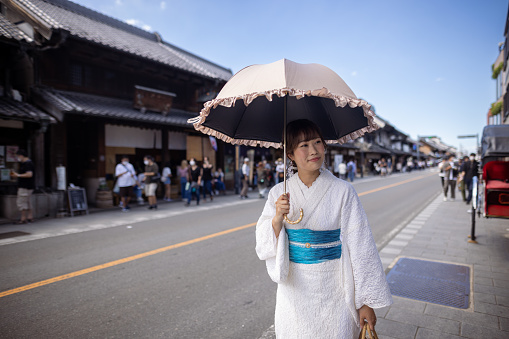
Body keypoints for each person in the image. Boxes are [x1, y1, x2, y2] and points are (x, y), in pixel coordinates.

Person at [255, 119, 392, 338]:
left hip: (335, 285)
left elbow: (361, 246)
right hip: (295, 288)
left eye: (317, 142)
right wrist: (276, 219)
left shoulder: (343, 191)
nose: (313, 150)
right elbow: (263, 246)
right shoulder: (277, 193)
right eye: (304, 145)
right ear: (289, 154)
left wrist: (365, 301)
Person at [11, 149, 35, 224]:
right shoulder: (29, 163)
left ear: (21, 156)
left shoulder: (27, 164)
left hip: (25, 186)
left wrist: (18, 175)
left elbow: (29, 174)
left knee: (21, 202)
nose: (18, 158)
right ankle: (30, 217)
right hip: (29, 186)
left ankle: (23, 218)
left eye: (18, 156)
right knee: (28, 201)